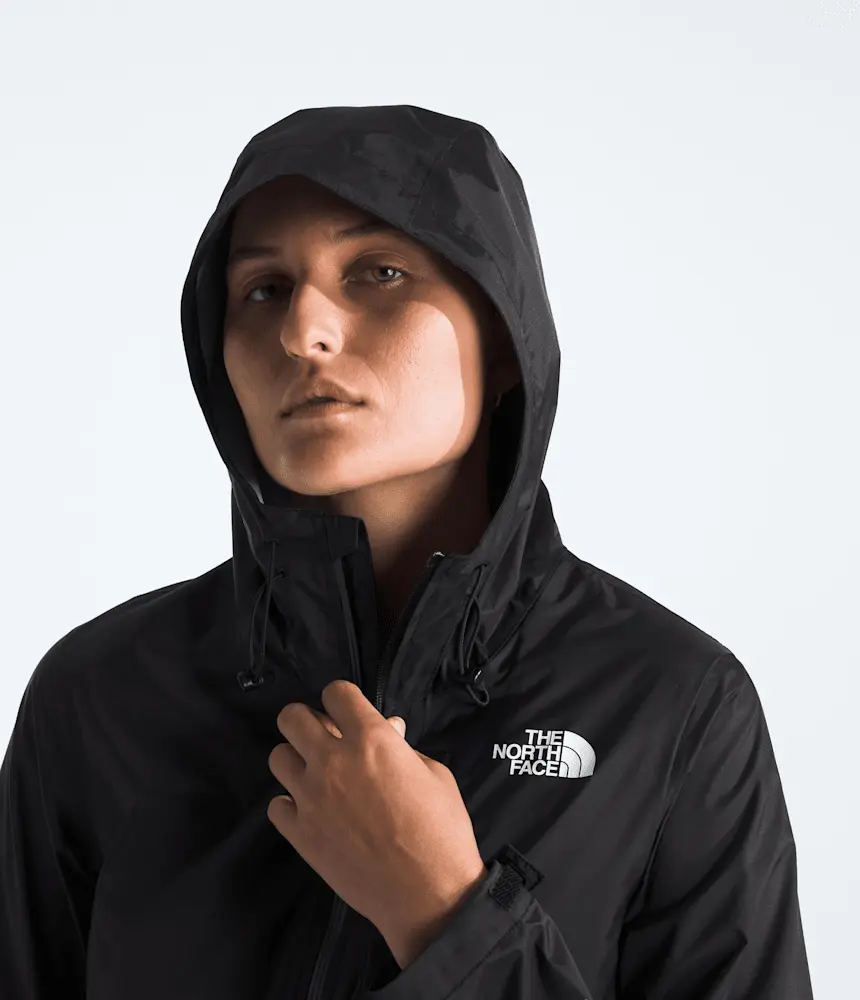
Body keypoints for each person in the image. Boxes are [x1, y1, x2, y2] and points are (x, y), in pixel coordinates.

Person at [0, 105, 814, 999]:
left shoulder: (671, 706)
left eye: (378, 272)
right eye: (263, 289)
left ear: (503, 337)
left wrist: (446, 916)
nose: (303, 331)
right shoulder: (101, 695)